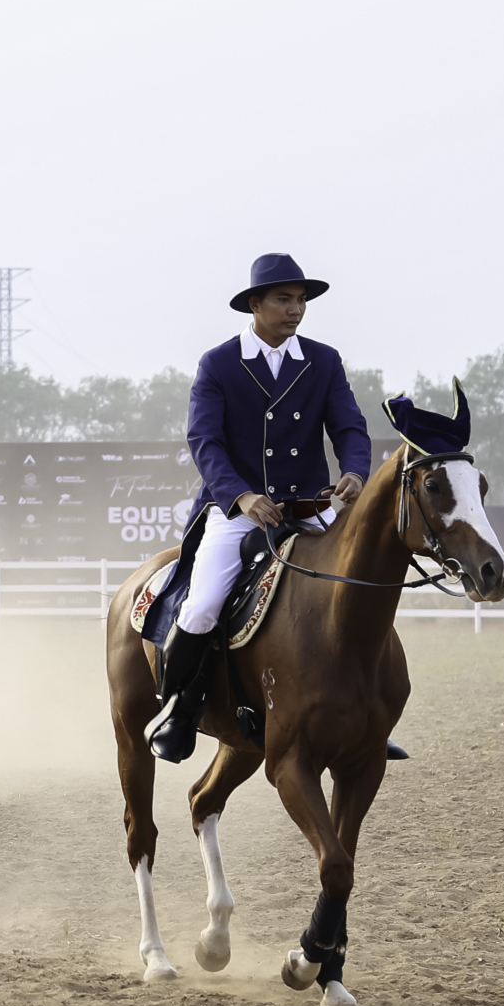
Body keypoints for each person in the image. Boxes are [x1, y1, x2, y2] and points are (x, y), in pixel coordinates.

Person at [149, 253, 370, 763]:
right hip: (238, 510)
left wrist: (355, 470)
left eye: (301, 301)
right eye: (284, 299)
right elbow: (205, 440)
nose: (296, 310)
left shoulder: (323, 360)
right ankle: (180, 709)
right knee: (202, 604)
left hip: (309, 506)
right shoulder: (219, 363)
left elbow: (350, 427)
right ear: (255, 304)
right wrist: (242, 496)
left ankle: (365, 713)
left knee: (355, 591)